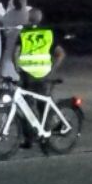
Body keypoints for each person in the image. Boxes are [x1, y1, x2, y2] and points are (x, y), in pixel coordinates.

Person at [12, 8, 65, 148]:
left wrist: (17, 68)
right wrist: (52, 70)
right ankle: (47, 133)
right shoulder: (48, 33)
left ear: (29, 18)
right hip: (43, 76)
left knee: (25, 108)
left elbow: (15, 53)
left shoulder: (24, 33)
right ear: (40, 19)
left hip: (27, 76)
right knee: (43, 106)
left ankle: (29, 139)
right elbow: (60, 54)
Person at [0, 0, 30, 83]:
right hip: (11, 41)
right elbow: (2, 23)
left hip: (23, 42)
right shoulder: (11, 13)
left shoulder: (28, 12)